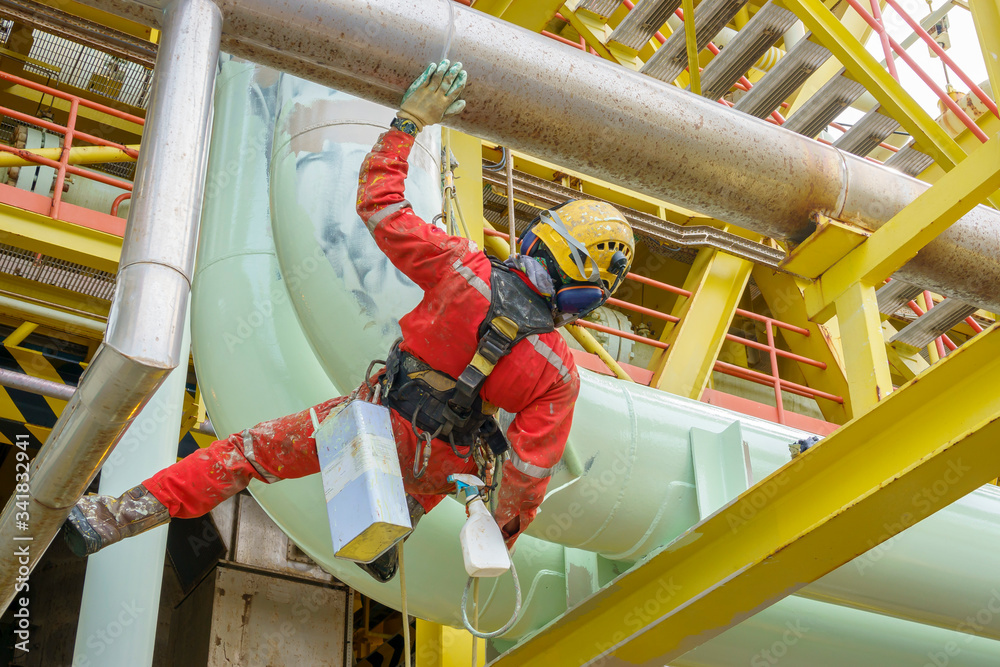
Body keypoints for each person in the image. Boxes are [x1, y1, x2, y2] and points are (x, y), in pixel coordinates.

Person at [62, 61, 634, 583]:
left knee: (243, 456)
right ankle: (390, 532)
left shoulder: (462, 267)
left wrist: (410, 121)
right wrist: (498, 541)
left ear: (538, 238)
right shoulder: (559, 370)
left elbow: (380, 202)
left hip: (378, 420)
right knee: (447, 466)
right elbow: (528, 478)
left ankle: (112, 518)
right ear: (586, 297)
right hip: (446, 464)